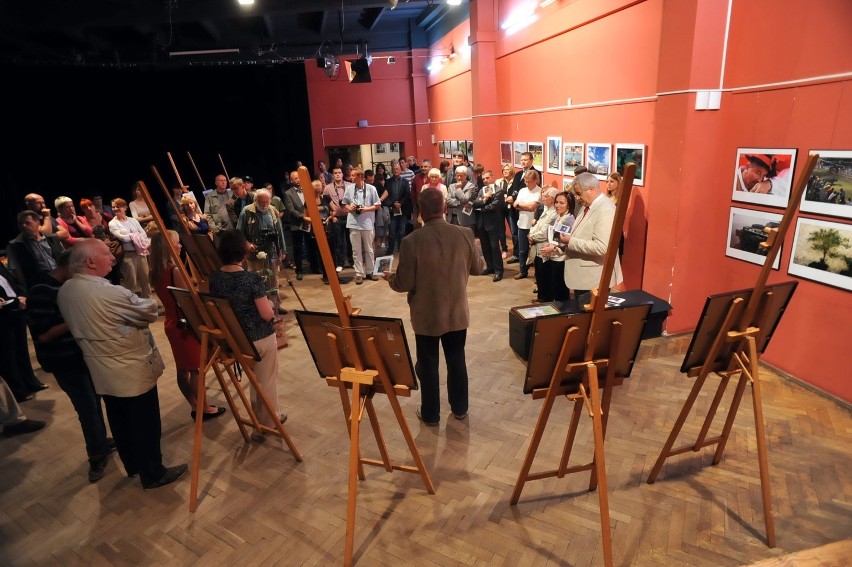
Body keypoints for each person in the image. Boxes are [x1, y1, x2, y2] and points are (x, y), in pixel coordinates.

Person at [58, 239, 187, 489]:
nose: (112, 258)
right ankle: (153, 473)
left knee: (119, 418)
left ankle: (134, 466)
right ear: (90, 261)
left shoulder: (66, 289)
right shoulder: (108, 292)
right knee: (145, 422)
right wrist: (138, 304)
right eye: (107, 253)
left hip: (101, 369)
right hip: (129, 367)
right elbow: (149, 310)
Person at [385, 187, 482, 426]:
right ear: (445, 208)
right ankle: (460, 408)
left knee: (427, 365)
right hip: (457, 313)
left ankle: (430, 413)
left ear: (420, 212)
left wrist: (389, 278)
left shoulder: (411, 241)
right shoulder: (465, 233)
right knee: (457, 359)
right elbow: (478, 268)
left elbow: (404, 283)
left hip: (427, 315)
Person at [26, 250, 115, 482]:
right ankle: (96, 455)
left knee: (93, 402)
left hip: (80, 356)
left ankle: (101, 441)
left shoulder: (64, 287)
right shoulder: (42, 290)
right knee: (86, 407)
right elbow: (42, 335)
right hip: (64, 360)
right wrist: (78, 316)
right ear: (70, 267)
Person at [209, 230, 285, 431]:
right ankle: (270, 420)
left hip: (234, 339)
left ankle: (259, 415)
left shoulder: (215, 278)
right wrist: (269, 302)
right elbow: (267, 315)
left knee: (255, 378)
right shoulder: (251, 280)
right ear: (242, 253)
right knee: (266, 379)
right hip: (258, 339)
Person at [148, 230, 225, 421]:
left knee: (183, 368)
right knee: (196, 368)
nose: (180, 246)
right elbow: (188, 300)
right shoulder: (174, 270)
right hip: (184, 324)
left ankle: (195, 405)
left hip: (171, 323)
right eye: (177, 243)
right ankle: (204, 408)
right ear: (168, 247)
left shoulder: (155, 270)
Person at [559, 172, 623, 300]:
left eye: (579, 193)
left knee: (589, 316)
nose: (577, 198)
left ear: (591, 189)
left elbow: (601, 247)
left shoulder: (605, 210)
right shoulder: (587, 205)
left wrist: (570, 241)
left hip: (594, 279)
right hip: (584, 277)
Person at [0, 260, 49, 402]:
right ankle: (18, 391)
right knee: (8, 356)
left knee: (22, 350)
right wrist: (16, 301)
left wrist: (23, 295)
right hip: (4, 316)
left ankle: (31, 382)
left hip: (17, 312)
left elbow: (15, 281)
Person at [342, 168, 382, 284]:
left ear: (360, 176)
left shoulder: (371, 188)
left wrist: (365, 209)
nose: (351, 177)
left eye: (353, 175)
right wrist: (350, 208)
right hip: (353, 223)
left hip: (367, 223)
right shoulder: (349, 188)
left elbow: (378, 205)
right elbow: (344, 203)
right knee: (356, 250)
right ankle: (359, 273)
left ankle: (370, 271)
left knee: (369, 249)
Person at [6, 210, 65, 288]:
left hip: (61, 278)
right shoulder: (15, 245)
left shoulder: (52, 239)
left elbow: (65, 259)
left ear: (37, 223)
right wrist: (27, 289)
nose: (23, 226)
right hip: (40, 284)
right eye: (20, 223)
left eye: (27, 223)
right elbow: (17, 271)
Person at [109, 198, 151, 298]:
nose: (115, 209)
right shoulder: (113, 223)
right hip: (128, 255)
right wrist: (135, 236)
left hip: (140, 253)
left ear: (125, 208)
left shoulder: (133, 220)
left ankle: (148, 301)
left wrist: (132, 236)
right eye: (113, 207)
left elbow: (144, 234)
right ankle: (133, 304)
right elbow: (123, 239)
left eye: (117, 206)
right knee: (131, 282)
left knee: (145, 279)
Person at [537, 191, 576, 302]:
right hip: (553, 257)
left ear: (569, 204)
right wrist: (548, 245)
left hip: (561, 259)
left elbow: (566, 242)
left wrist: (553, 248)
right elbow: (554, 237)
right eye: (556, 202)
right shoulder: (558, 217)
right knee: (553, 288)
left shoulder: (569, 220)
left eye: (561, 203)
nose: (557, 205)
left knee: (560, 292)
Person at [471, 169, 506, 282]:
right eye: (484, 179)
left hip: (493, 224)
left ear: (492, 177)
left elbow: (494, 206)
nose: (486, 180)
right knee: (485, 247)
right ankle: (490, 267)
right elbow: (475, 203)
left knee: (495, 247)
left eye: (487, 178)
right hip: (482, 223)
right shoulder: (482, 190)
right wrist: (485, 199)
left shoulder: (499, 191)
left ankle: (498, 271)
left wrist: (481, 208)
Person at [527, 186, 561, 301]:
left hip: (544, 247)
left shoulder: (554, 213)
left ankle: (546, 298)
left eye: (546, 196)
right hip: (537, 245)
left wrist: (532, 236)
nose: (543, 197)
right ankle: (541, 295)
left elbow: (545, 232)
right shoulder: (545, 209)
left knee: (545, 274)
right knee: (539, 274)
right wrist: (531, 234)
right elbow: (536, 225)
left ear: (553, 199)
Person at [507, 152, 540, 264]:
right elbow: (513, 188)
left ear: (531, 160)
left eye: (525, 160)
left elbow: (531, 207)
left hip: (528, 216)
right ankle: (517, 255)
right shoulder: (518, 173)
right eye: (521, 160)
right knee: (515, 234)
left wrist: (518, 203)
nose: (523, 162)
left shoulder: (536, 173)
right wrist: (511, 197)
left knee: (529, 239)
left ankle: (528, 261)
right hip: (514, 209)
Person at [513, 169, 542, 280]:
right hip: (522, 223)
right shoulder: (522, 191)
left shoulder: (540, 192)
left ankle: (537, 274)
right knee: (522, 250)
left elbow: (532, 207)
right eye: (526, 181)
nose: (527, 183)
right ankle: (522, 271)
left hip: (534, 226)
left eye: (529, 181)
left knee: (535, 251)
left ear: (536, 181)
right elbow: (515, 205)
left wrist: (520, 205)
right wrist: (521, 205)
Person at [323, 166, 351, 272]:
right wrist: (331, 215)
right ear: (333, 175)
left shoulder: (350, 185)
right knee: (339, 242)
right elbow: (325, 203)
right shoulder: (328, 188)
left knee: (350, 241)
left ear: (342, 174)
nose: (338, 174)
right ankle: (340, 263)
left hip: (349, 217)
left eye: (339, 172)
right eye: (335, 173)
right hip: (337, 218)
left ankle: (351, 261)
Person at [383, 162, 412, 255]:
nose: (396, 170)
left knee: (401, 230)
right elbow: (386, 194)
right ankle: (390, 249)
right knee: (391, 230)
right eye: (394, 169)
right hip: (392, 209)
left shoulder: (405, 182)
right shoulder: (388, 181)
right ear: (392, 170)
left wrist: (400, 203)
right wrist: (393, 203)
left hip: (402, 209)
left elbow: (407, 194)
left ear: (400, 170)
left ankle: (401, 248)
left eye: (397, 169)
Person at [203, 174, 234, 239]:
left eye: (225, 180)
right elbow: (207, 214)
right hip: (220, 229)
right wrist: (214, 228)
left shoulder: (232, 193)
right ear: (216, 183)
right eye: (221, 180)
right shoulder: (210, 196)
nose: (223, 182)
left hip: (234, 226)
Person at [446, 165, 477, 229]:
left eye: (461, 176)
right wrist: (459, 203)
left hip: (465, 219)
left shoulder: (471, 186)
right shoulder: (451, 186)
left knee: (466, 238)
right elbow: (448, 201)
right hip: (452, 218)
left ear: (466, 176)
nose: (459, 178)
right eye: (457, 175)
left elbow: (465, 199)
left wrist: (459, 189)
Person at [496, 164, 514, 259]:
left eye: (507, 169)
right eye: (504, 170)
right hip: (500, 208)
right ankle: (504, 249)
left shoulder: (514, 181)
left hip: (510, 208)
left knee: (513, 229)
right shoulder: (498, 182)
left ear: (511, 171)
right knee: (501, 230)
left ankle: (517, 249)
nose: (505, 171)